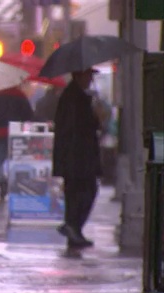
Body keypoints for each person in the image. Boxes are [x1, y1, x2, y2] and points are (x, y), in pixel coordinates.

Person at [53, 68, 101, 248]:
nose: (90, 79)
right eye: (88, 75)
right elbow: (79, 127)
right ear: (79, 76)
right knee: (82, 192)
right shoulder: (75, 98)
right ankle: (72, 226)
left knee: (80, 192)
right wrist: (94, 114)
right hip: (77, 157)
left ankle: (74, 229)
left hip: (77, 157)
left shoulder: (77, 96)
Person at [0, 86, 34, 199]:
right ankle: (17, 185)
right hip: (16, 133)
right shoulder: (19, 94)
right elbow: (28, 115)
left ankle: (2, 181)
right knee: (16, 161)